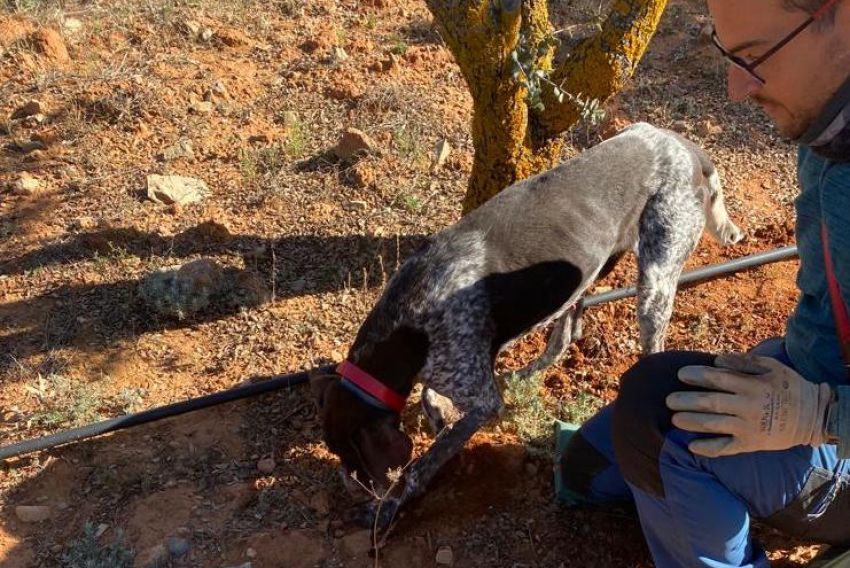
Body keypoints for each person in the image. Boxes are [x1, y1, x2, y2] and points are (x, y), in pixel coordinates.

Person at [557, 1, 850, 566]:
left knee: (655, 427)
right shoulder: (830, 123)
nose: (737, 88)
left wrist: (822, 416)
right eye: (730, 55)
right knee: (589, 466)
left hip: (836, 431)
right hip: (809, 373)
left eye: (755, 58)